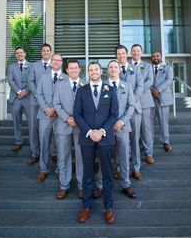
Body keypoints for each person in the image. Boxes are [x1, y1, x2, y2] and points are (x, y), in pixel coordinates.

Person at [74, 62, 118, 224]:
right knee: (87, 173)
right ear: (88, 72)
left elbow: (114, 114)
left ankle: (109, 207)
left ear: (101, 72)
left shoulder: (111, 90)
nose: (93, 72)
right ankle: (86, 207)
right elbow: (77, 114)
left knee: (107, 174)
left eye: (96, 69)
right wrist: (90, 132)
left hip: (105, 137)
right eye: (91, 70)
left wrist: (101, 131)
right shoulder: (81, 90)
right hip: (87, 137)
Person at [95, 60, 137, 200]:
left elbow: (131, 106)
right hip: (106, 128)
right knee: (103, 158)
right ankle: (100, 185)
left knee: (124, 157)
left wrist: (121, 121)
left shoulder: (127, 86)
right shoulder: (102, 86)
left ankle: (126, 184)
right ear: (107, 71)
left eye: (115, 67)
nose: (113, 69)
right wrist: (107, 124)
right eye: (110, 67)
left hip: (122, 127)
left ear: (119, 69)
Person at [53, 59, 85, 200]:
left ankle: (81, 186)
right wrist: (67, 118)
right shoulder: (60, 85)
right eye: (70, 68)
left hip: (81, 126)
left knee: (81, 158)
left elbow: (90, 105)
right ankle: (64, 186)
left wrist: (78, 119)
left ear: (79, 69)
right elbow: (56, 104)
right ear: (66, 70)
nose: (73, 70)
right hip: (63, 125)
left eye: (75, 68)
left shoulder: (86, 84)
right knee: (63, 157)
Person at [36, 53, 67, 182]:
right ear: (51, 62)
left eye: (58, 60)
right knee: (44, 143)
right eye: (53, 60)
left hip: (60, 116)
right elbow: (39, 94)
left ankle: (60, 169)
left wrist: (55, 109)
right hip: (45, 115)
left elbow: (67, 97)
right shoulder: (43, 77)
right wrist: (46, 109)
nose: (55, 62)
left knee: (61, 144)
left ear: (61, 62)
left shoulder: (66, 78)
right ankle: (43, 169)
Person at [115, 44, 143, 180]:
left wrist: (130, 100)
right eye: (118, 54)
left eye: (123, 53)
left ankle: (136, 168)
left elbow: (140, 86)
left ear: (127, 54)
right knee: (121, 142)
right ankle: (119, 168)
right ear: (116, 56)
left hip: (134, 109)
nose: (121, 56)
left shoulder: (135, 69)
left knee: (134, 141)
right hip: (120, 114)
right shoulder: (114, 69)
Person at [131, 44, 155, 164]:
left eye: (138, 51)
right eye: (134, 51)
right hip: (131, 103)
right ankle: (130, 152)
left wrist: (137, 91)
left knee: (146, 129)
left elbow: (150, 81)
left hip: (144, 101)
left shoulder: (148, 66)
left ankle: (148, 153)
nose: (136, 53)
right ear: (131, 52)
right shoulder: (127, 66)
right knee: (131, 129)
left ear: (141, 52)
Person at [28, 43, 52, 165]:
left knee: (49, 128)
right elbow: (30, 81)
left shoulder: (54, 65)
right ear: (41, 52)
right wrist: (37, 94)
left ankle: (53, 152)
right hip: (35, 101)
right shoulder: (34, 65)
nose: (46, 53)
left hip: (49, 104)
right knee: (34, 127)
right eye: (44, 51)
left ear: (50, 52)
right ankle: (34, 153)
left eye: (48, 51)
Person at [8, 46, 31, 152]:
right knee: (17, 121)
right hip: (16, 98)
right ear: (15, 55)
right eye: (17, 53)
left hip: (28, 97)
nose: (19, 54)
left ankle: (33, 142)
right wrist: (19, 92)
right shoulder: (11, 67)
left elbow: (33, 80)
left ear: (25, 54)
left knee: (32, 121)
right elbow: (11, 81)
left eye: (21, 52)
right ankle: (18, 141)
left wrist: (25, 91)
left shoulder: (32, 66)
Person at [151, 51, 173, 152]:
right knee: (148, 122)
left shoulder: (167, 68)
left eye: (157, 56)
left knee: (163, 122)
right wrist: (152, 90)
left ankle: (166, 142)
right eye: (154, 56)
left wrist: (158, 90)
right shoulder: (148, 68)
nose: (156, 58)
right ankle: (149, 142)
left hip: (163, 98)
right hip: (150, 98)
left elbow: (169, 80)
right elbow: (144, 80)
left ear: (161, 57)